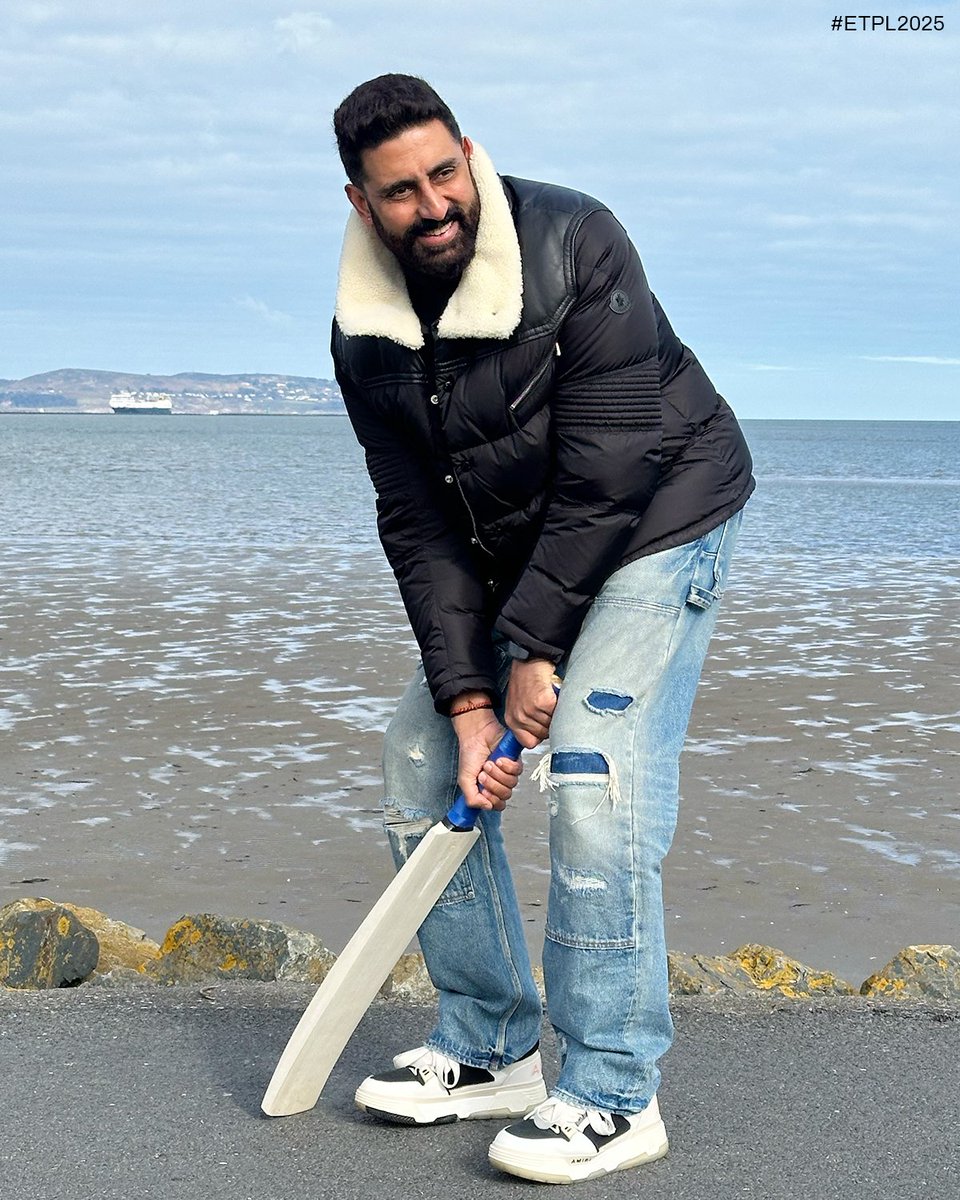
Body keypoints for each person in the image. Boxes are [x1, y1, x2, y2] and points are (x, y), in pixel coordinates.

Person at [330, 73, 754, 1185]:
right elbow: (419, 526)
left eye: (444, 173)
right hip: (529, 552)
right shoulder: (364, 334)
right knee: (420, 763)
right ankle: (488, 1047)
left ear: (470, 153)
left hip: (663, 515)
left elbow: (607, 475)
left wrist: (537, 656)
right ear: (359, 202)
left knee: (592, 773)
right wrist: (473, 701)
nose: (434, 205)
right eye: (401, 191)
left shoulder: (577, 241)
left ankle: (614, 1091)